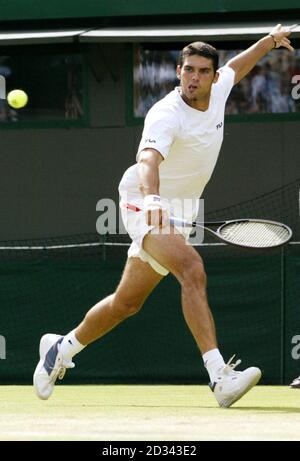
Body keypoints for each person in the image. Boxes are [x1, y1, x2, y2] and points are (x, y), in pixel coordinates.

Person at [33, 24, 295, 407]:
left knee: (126, 303)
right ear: (178, 71)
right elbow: (148, 159)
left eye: (203, 71)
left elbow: (238, 66)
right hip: (145, 199)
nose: (195, 77)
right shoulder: (166, 114)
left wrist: (270, 41)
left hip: (182, 211)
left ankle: (61, 348)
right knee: (192, 268)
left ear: (212, 75)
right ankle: (219, 376)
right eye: (188, 69)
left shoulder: (220, 87)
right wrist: (154, 200)